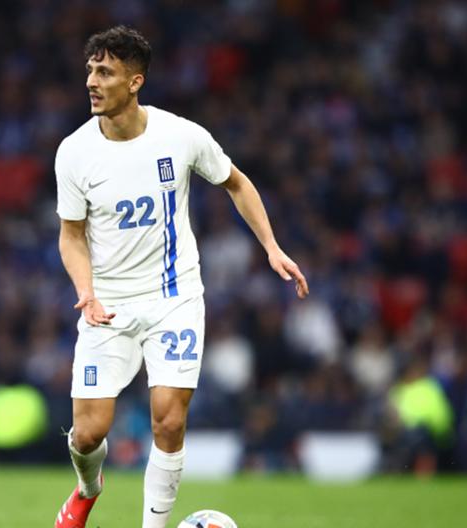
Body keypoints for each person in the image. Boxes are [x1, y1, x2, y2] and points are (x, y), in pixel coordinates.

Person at [53, 26, 309, 528]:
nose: (92, 81)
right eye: (90, 70)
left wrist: (272, 247)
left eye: (105, 72)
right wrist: (86, 292)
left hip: (174, 297)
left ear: (135, 81)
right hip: (108, 304)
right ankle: (87, 488)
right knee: (88, 433)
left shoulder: (181, 136)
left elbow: (236, 183)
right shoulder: (75, 152)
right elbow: (71, 235)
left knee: (169, 420)